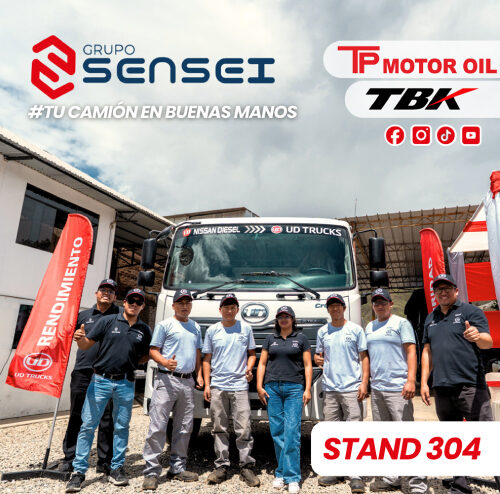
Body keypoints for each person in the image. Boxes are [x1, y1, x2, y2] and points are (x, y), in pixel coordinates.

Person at [65, 288, 152, 493]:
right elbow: (86, 345)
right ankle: (78, 472)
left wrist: (132, 362)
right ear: (125, 302)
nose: (134, 304)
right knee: (88, 426)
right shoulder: (108, 321)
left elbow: (146, 354)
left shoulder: (144, 329)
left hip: (126, 383)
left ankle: (116, 468)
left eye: (139, 302)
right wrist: (80, 338)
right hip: (100, 381)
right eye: (131, 300)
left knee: (121, 427)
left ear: (142, 306)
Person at [421, 274, 500, 494]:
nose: (443, 292)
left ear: (456, 291)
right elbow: (427, 351)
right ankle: (460, 486)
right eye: (439, 289)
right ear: (435, 294)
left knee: (486, 438)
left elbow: (488, 343)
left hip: (470, 386)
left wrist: (477, 336)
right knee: (453, 440)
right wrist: (424, 382)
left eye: (447, 288)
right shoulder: (430, 318)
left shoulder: (471, 312)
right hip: (442, 387)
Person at [366, 288, 427, 494]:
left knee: (406, 436)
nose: (379, 305)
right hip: (377, 388)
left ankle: (417, 484)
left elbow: (411, 351)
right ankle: (391, 478)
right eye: (376, 302)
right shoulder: (370, 326)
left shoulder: (401, 323)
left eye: (383, 302)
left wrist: (411, 380)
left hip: (398, 387)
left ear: (391, 304)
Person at [142, 288, 203, 490]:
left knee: (184, 427)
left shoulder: (195, 327)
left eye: (187, 302)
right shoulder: (165, 325)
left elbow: (197, 353)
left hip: (187, 382)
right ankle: (151, 472)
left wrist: (199, 375)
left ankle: (177, 468)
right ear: (173, 305)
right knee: (158, 426)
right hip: (167, 380)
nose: (184, 306)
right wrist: (165, 362)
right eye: (181, 303)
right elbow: (153, 350)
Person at [60, 279, 119, 474]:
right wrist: (75, 335)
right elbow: (67, 336)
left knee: (107, 418)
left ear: (115, 297)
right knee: (76, 415)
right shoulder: (83, 315)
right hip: (82, 372)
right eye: (103, 290)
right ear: (96, 293)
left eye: (111, 291)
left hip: (108, 375)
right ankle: (70, 457)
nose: (106, 293)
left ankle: (105, 461)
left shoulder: (120, 316)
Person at [203, 293, 260, 487]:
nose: (229, 310)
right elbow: (207, 359)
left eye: (233, 307)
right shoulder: (212, 330)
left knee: (244, 428)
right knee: (219, 427)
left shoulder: (245, 328)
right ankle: (221, 466)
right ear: (220, 310)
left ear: (237, 309)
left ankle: (246, 466)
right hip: (218, 385)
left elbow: (252, 354)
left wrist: (249, 368)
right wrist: (207, 384)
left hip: (239, 386)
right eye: (226, 307)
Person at [314, 293, 369, 493]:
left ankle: (355, 475)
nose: (335, 309)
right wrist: (316, 359)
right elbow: (319, 355)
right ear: (328, 310)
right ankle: (336, 471)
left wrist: (364, 383)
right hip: (330, 388)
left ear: (344, 308)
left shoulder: (355, 330)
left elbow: (364, 357)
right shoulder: (323, 331)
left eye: (338, 305)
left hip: (351, 387)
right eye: (331, 306)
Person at [256, 305, 313, 494]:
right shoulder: (270, 339)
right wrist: (259, 386)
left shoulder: (301, 339)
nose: (284, 319)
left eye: (287, 316)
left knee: (292, 432)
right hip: (272, 389)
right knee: (277, 432)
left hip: (294, 389)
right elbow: (262, 363)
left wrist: (307, 389)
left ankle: (293, 477)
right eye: (281, 316)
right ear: (277, 320)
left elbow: (307, 365)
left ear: (293, 319)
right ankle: (281, 473)